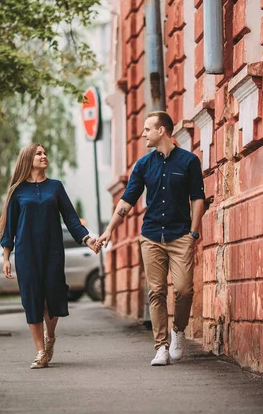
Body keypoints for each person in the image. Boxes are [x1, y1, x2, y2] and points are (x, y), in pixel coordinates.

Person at [98, 111, 205, 366]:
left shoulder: (189, 161)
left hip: (180, 236)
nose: (144, 133)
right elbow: (127, 200)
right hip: (151, 236)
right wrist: (110, 229)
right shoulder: (144, 165)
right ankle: (161, 347)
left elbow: (198, 198)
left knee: (183, 290)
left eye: (148, 129)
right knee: (156, 291)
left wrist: (193, 233)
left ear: (162, 131)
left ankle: (178, 330)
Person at [0, 143, 100, 369]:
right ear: (28, 159)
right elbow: (10, 226)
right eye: (39, 153)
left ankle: (50, 336)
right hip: (26, 252)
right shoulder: (18, 190)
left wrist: (87, 239)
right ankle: (40, 352)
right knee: (32, 298)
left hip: (52, 250)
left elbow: (71, 218)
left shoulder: (55, 187)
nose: (44, 156)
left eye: (45, 152)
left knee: (53, 295)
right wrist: (6, 257)